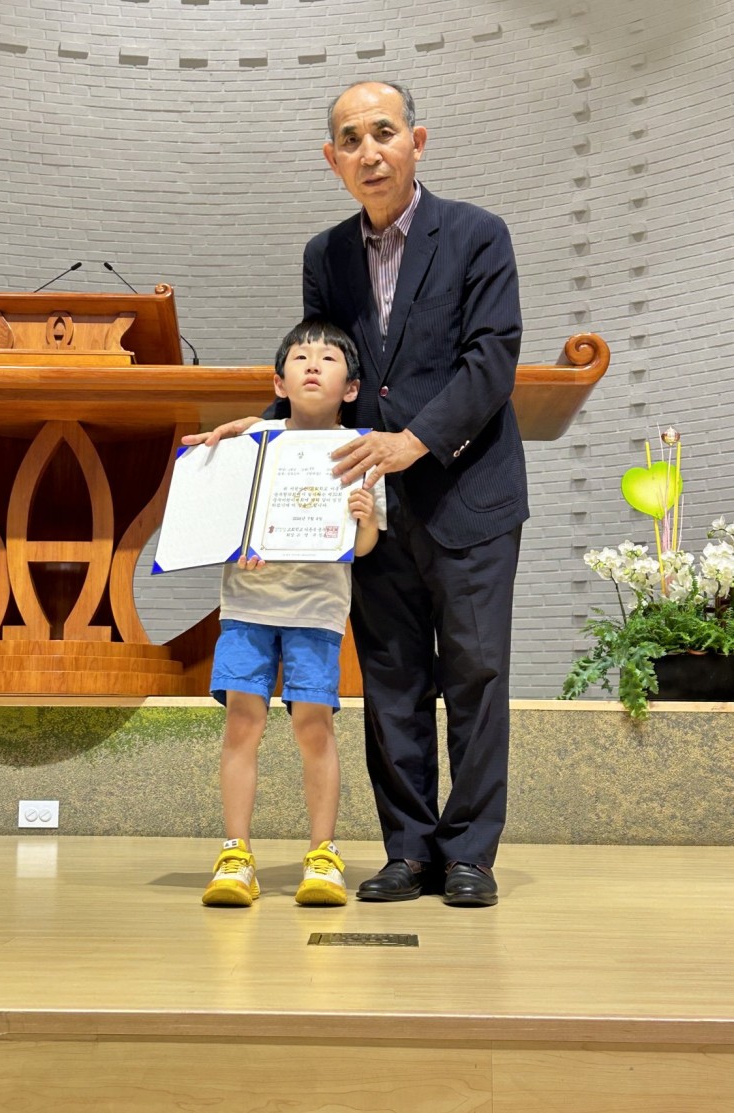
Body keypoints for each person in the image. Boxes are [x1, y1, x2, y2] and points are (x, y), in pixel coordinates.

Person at [189, 80, 527, 908]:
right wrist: (264, 432)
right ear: (331, 159)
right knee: (390, 677)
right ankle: (407, 849)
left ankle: (469, 853)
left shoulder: (477, 234)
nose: (368, 151)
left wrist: (414, 441)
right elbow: (323, 367)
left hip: (467, 493)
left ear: (417, 140)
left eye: (383, 132)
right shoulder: (325, 254)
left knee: (475, 673)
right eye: (350, 139)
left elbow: (491, 357)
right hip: (363, 502)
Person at [200, 319, 386, 909]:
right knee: (241, 724)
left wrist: (365, 519)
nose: (312, 365)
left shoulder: (360, 449)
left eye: (328, 358)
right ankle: (235, 855)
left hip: (316, 610)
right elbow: (220, 517)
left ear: (351, 388)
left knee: (314, 727)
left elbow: (362, 548)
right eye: (300, 357)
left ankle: (323, 855)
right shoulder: (251, 442)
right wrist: (235, 542)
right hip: (247, 606)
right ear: (278, 382)